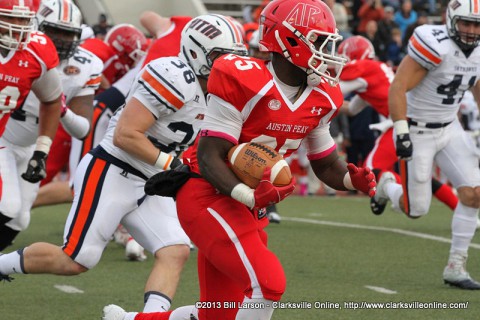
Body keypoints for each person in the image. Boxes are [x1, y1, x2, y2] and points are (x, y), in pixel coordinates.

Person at [102, 1, 376, 320]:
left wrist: (348, 180)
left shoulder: (322, 96)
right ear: (288, 40)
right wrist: (248, 195)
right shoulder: (245, 80)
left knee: (218, 313)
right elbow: (209, 156)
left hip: (246, 205)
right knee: (269, 284)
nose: (327, 50)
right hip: (206, 194)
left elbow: (326, 163)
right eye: (318, 41)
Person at [0, 13, 248, 316]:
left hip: (154, 177)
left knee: (175, 250)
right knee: (76, 260)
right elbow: (125, 135)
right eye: (221, 56)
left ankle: (150, 316)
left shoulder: (223, 90)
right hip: (114, 168)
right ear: (197, 53)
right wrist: (173, 164)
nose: (231, 65)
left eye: (236, 57)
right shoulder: (172, 76)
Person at [371, 0, 480, 290]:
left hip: (450, 127)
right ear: (451, 20)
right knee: (415, 209)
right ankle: (386, 187)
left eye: (476, 24)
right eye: (466, 23)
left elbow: (477, 86)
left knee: (474, 194)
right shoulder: (435, 45)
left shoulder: (478, 52)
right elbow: (398, 86)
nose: (471, 30)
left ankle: (456, 266)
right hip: (417, 129)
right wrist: (401, 130)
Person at [0, 0, 103, 251]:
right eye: (55, 31)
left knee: (20, 218)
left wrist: (60, 113)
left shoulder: (81, 64)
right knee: (8, 206)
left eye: (68, 33)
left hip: (32, 142)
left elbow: (80, 127)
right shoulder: (29, 49)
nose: (61, 39)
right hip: (5, 135)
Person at [337, 35, 458, 211]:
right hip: (416, 121)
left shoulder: (365, 70)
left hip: (402, 122)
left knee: (370, 171)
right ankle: (462, 209)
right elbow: (351, 108)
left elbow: (333, 93)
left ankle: (392, 192)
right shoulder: (376, 71)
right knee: (418, 177)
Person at [0, 0, 63, 250]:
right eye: (11, 18)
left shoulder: (36, 51)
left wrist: (42, 149)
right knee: (8, 206)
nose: (19, 26)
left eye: (24, 20)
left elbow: (52, 100)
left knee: (17, 214)